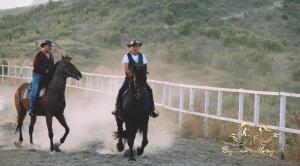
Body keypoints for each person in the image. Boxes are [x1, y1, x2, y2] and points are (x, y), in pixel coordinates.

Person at [112, 40, 159, 118]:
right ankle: (117, 108)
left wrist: (143, 74)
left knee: (150, 90)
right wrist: (132, 77)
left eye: (137, 46)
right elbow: (126, 69)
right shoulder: (126, 56)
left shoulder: (142, 56)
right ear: (131, 47)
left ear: (139, 47)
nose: (135, 48)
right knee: (121, 91)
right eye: (133, 46)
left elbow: (145, 66)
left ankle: (152, 109)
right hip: (130, 79)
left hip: (140, 80)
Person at [28, 40, 55, 116]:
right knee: (35, 90)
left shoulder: (51, 55)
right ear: (45, 46)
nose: (50, 48)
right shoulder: (39, 54)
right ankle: (31, 108)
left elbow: (52, 66)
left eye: (51, 47)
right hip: (38, 75)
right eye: (49, 46)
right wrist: (45, 70)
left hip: (48, 76)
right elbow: (36, 66)